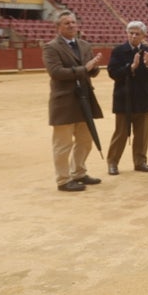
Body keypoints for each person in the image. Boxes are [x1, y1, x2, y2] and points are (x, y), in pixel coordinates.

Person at [43, 11, 103, 193]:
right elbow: (56, 72)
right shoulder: (51, 47)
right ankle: (63, 179)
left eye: (73, 22)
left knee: (85, 140)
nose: (71, 25)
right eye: (66, 23)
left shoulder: (84, 45)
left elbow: (90, 71)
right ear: (58, 27)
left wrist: (93, 69)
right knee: (63, 144)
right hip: (64, 101)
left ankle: (79, 172)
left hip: (84, 98)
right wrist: (84, 68)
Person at [106, 21, 148, 176]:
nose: (134, 36)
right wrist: (131, 68)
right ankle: (113, 162)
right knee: (121, 132)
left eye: (137, 34)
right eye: (131, 33)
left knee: (142, 134)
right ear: (127, 34)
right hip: (124, 97)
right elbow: (113, 73)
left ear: (143, 36)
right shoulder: (118, 51)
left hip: (143, 97)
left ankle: (140, 161)